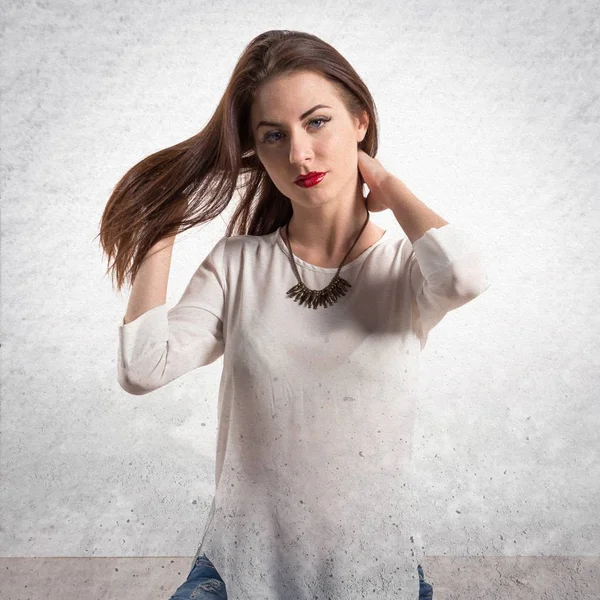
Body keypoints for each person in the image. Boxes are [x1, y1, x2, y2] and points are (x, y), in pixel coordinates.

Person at [99, 29, 490, 600]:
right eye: (274, 135)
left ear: (360, 120)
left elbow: (464, 276)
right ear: (255, 150)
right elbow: (142, 368)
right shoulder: (237, 265)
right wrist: (160, 229)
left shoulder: (407, 270)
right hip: (239, 572)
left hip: (374, 573)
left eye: (317, 122)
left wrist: (383, 181)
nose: (299, 154)